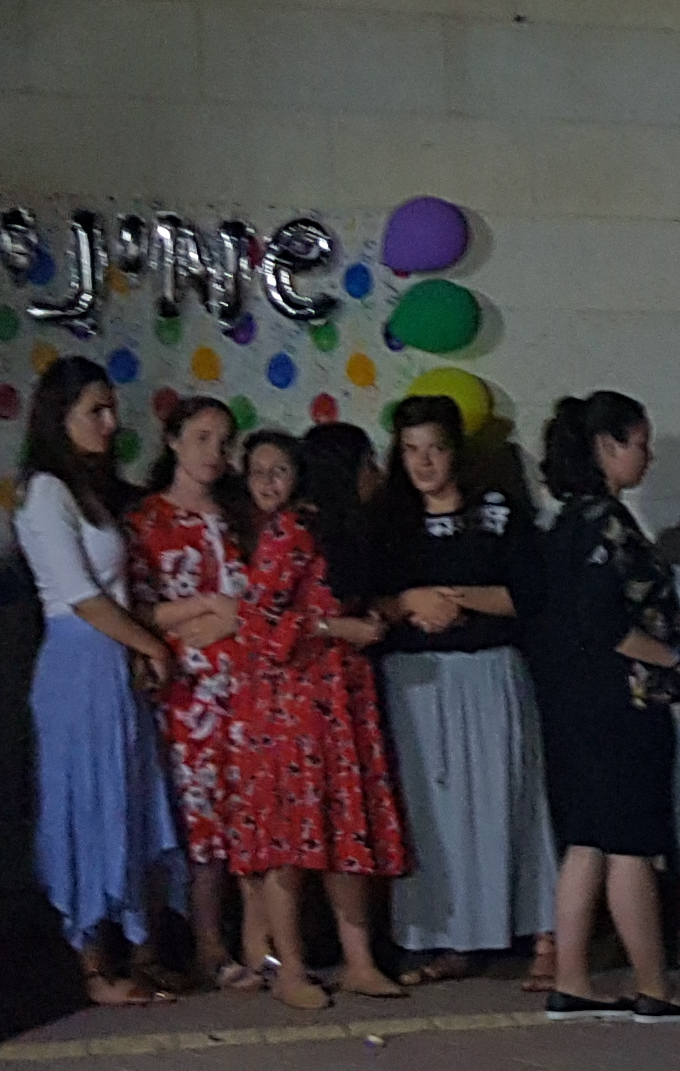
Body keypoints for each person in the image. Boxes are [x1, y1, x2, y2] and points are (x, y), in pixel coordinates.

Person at [528, 392, 680, 1023]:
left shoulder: (564, 523)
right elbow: (608, 623)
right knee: (631, 844)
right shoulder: (608, 524)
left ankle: (573, 979)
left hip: (569, 703)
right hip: (620, 704)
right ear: (607, 446)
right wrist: (679, 660)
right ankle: (653, 986)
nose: (648, 455)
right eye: (640, 442)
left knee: (586, 840)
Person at [218, 430, 412, 1008]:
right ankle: (291, 971)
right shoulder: (291, 531)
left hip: (341, 702)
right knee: (290, 841)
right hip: (291, 706)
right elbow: (255, 623)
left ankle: (360, 963)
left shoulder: (344, 531)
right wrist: (333, 628)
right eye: (367, 462)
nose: (376, 473)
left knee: (344, 830)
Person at [14, 360, 187, 1006]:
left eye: (112, 410)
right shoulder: (45, 492)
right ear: (59, 417)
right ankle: (94, 965)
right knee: (87, 804)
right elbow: (82, 597)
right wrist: (150, 644)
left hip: (112, 658)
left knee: (129, 798)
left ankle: (141, 951)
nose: (110, 424)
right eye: (95, 411)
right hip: (79, 660)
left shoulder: (89, 492)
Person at [372, 395, 555, 986]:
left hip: (488, 671)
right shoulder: (389, 520)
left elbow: (529, 594)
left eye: (436, 448)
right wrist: (407, 602)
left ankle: (545, 935)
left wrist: (456, 598)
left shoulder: (496, 512)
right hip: (416, 682)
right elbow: (366, 600)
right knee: (432, 812)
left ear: (457, 452)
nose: (423, 463)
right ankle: (448, 939)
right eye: (411, 450)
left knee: (511, 799)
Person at [126, 397, 252, 986]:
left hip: (246, 689)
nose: (213, 452)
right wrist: (207, 606)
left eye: (223, 442)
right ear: (173, 441)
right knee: (194, 819)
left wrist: (235, 617)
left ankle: (244, 942)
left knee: (240, 815)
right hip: (186, 693)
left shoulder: (241, 516)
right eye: (201, 438)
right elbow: (137, 609)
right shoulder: (147, 520)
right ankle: (193, 946)